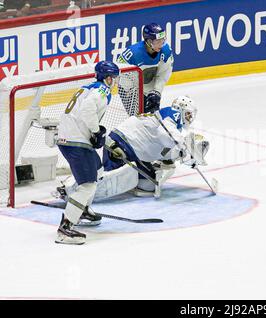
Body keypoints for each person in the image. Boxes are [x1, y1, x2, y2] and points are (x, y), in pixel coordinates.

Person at [56, 96, 209, 202]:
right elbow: (165, 134)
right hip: (121, 144)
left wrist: (186, 157)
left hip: (130, 149)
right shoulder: (172, 113)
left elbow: (167, 149)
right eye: (188, 114)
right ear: (180, 109)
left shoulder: (173, 125)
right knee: (107, 179)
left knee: (148, 186)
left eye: (191, 115)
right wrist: (183, 148)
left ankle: (124, 178)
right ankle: (70, 189)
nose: (189, 118)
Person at [55, 61, 120, 245]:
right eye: (114, 78)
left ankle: (81, 208)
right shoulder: (102, 90)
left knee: (98, 171)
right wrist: (96, 131)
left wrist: (100, 137)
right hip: (76, 142)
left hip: (70, 138)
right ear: (107, 78)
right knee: (88, 186)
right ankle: (65, 228)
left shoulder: (88, 87)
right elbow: (87, 109)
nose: (114, 82)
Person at [117, 22, 174, 113]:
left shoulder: (165, 51)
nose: (161, 44)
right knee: (136, 118)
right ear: (148, 41)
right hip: (130, 88)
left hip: (149, 87)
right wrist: (134, 94)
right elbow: (121, 77)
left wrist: (156, 92)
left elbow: (163, 74)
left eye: (162, 40)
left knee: (152, 117)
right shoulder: (132, 54)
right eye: (157, 41)